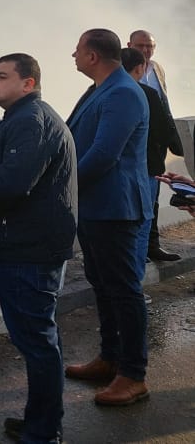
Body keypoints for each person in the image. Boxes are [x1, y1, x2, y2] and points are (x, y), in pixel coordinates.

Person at [0, 54, 76, 444]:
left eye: (2, 76)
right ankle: (42, 421)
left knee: (37, 343)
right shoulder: (25, 118)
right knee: (39, 340)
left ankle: (43, 432)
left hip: (28, 251)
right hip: (30, 246)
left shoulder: (29, 121)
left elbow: (11, 183)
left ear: (28, 83)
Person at [65, 29, 152, 407]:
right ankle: (110, 357)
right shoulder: (101, 89)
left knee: (124, 290)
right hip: (95, 207)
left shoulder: (122, 93)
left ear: (93, 56)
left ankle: (133, 374)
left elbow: (104, 155)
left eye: (78, 50)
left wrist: (62, 185)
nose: (73, 55)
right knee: (103, 285)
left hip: (116, 207)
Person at [121, 47, 186, 261]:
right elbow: (161, 127)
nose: (146, 50)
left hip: (146, 160)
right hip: (141, 161)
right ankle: (136, 261)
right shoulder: (133, 92)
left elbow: (164, 109)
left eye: (149, 46)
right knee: (140, 213)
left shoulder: (156, 70)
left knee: (147, 210)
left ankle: (149, 249)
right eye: (141, 46)